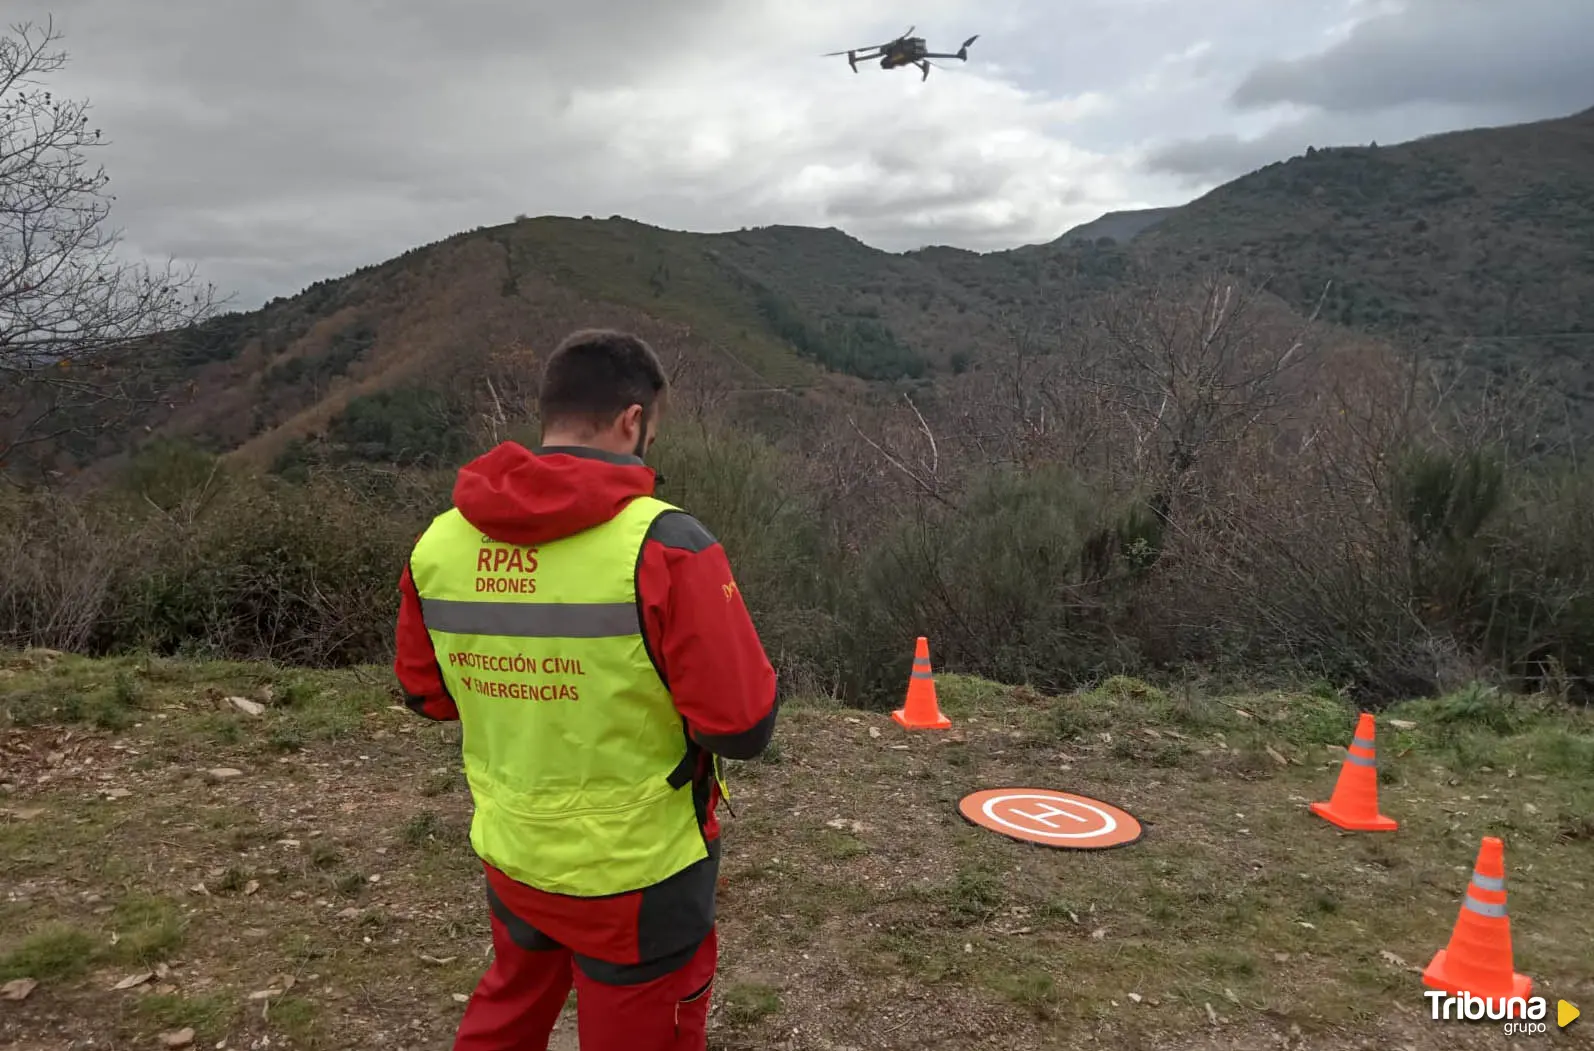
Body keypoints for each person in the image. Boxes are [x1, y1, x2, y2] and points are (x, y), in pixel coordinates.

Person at [393, 328, 779, 1050]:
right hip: (638, 871)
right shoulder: (668, 545)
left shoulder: (439, 543)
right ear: (633, 419)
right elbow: (742, 725)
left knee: (508, 1010)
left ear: (550, 412)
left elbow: (427, 697)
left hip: (513, 849)